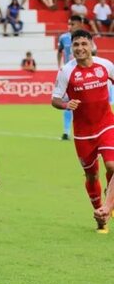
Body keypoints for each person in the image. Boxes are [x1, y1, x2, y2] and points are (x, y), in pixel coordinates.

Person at [52, 29, 114, 233]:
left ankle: (108, 202)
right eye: (76, 45)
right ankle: (100, 216)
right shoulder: (66, 72)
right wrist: (65, 104)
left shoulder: (105, 66)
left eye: (83, 44)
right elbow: (55, 99)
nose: (80, 48)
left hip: (106, 124)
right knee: (91, 176)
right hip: (83, 133)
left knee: (112, 165)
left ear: (91, 45)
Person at [58, 15, 82, 140]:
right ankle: (66, 131)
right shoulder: (63, 37)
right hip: (69, 75)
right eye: (68, 24)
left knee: (84, 104)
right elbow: (59, 51)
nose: (69, 27)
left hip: (82, 75)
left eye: (72, 24)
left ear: (79, 24)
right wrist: (59, 66)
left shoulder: (85, 38)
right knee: (67, 103)